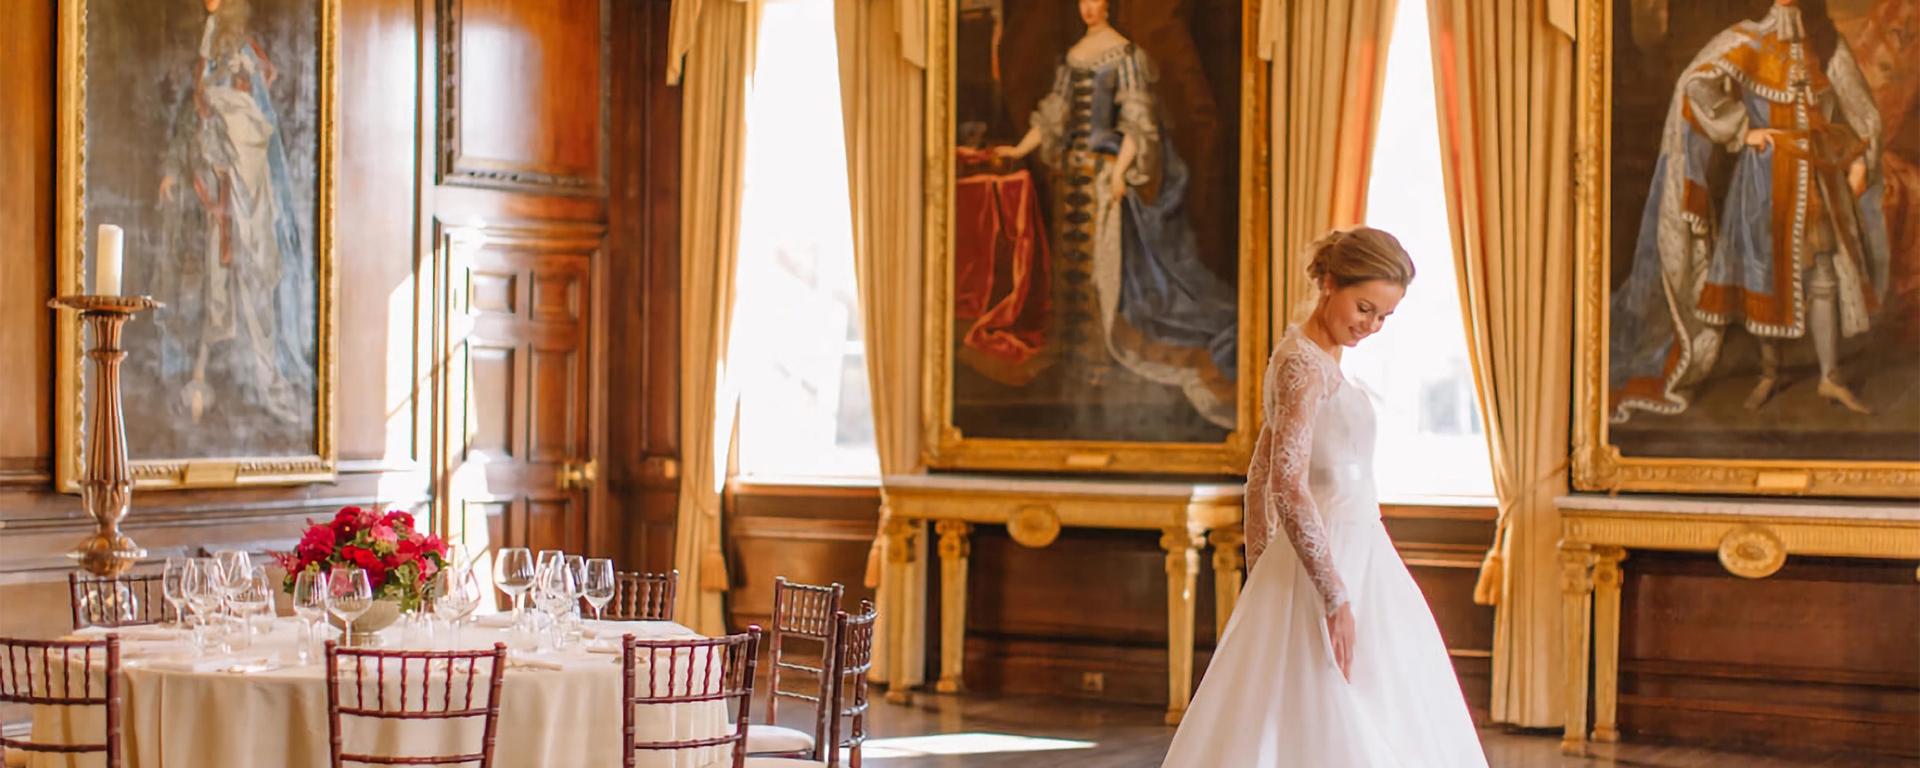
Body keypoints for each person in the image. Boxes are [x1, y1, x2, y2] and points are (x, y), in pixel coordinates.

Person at [1162, 228, 1487, 767]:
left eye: (1384, 317)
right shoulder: (1300, 366)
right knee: (1324, 700)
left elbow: (1261, 475)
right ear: (1330, 283)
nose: (1371, 326)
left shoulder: (1318, 358)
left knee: (1384, 697)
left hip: (1359, 551)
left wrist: (1266, 563)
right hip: (1331, 559)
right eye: (1364, 307)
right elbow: (1281, 482)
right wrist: (1329, 595)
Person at [1610, 0, 1888, 421]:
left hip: (1817, 179)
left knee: (1825, 273)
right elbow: (1695, 84)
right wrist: (1743, 128)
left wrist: (1859, 160)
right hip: (1762, 180)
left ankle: (1830, 376)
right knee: (1762, 273)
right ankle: (1769, 371)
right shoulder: (1748, 40)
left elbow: (1859, 105)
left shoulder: (1827, 45)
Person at [994, 0, 1238, 431]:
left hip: (1105, 179)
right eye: (1084, 1)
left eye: (1096, 0)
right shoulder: (1073, 57)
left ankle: (1103, 361)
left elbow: (1136, 122)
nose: (1089, 8)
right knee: (1072, 270)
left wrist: (1123, 171)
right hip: (1072, 179)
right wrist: (1019, 150)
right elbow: (1053, 117)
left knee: (1104, 272)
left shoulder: (1125, 55)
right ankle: (1076, 364)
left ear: (1108, 5)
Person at [156, 0, 316, 426]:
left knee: (251, 274)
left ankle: (262, 376)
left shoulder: (242, 52)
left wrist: (230, 108)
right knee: (214, 280)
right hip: (218, 187)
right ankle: (204, 375)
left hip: (246, 184)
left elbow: (254, 111)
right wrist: (177, 169)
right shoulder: (207, 55)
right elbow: (193, 117)